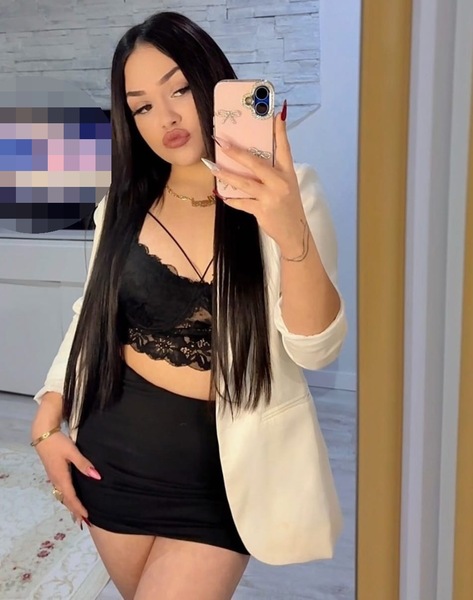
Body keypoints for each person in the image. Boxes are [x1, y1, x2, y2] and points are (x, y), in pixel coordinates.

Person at [30, 11, 348, 600]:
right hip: (113, 456)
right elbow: (89, 317)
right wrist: (49, 416)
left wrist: (290, 232)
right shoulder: (122, 206)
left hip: (227, 473)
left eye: (178, 89)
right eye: (142, 106)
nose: (167, 118)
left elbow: (316, 349)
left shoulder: (289, 193)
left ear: (212, 84)